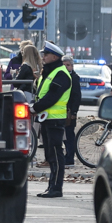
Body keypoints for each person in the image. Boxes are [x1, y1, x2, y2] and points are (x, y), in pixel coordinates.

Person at [32, 43, 73, 198]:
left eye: (46, 55)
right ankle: (52, 186)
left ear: (54, 57)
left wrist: (35, 108)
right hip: (47, 118)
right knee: (50, 154)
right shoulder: (50, 72)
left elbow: (52, 97)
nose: (43, 57)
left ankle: (56, 188)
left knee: (56, 154)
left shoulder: (61, 74)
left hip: (55, 119)